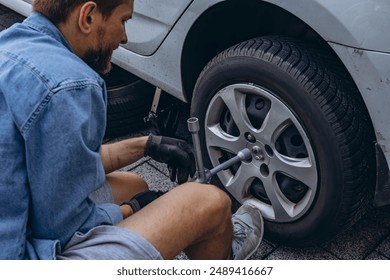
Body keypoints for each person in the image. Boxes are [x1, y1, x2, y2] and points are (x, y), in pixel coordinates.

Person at [0, 0, 263, 260]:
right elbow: (63, 228)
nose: (124, 37)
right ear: (88, 17)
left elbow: (59, 163)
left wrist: (147, 145)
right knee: (208, 203)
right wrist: (130, 209)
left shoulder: (10, 45)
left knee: (133, 184)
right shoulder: (70, 84)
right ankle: (222, 247)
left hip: (18, 226)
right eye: (123, 20)